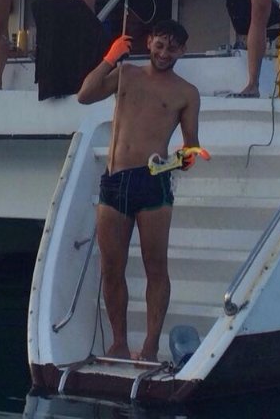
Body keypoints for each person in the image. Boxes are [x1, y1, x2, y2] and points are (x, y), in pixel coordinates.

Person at [77, 19, 201, 361]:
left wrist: (184, 159)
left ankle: (149, 347)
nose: (164, 53)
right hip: (115, 181)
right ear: (149, 43)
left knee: (155, 268)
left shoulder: (187, 93)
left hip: (153, 182)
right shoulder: (126, 74)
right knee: (111, 268)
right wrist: (110, 56)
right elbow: (85, 95)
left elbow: (191, 146)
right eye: (159, 45)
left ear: (182, 51)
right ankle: (118, 342)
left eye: (172, 48)